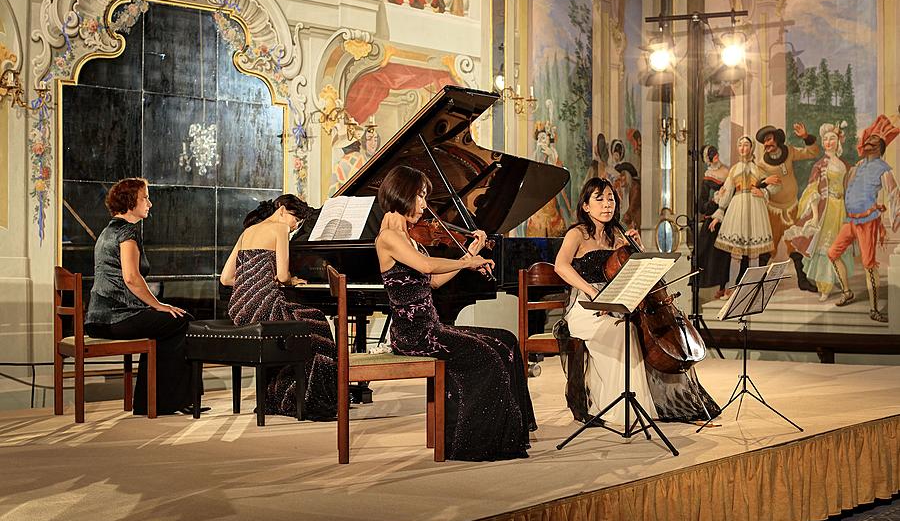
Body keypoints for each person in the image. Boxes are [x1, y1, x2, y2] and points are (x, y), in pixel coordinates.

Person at [375, 165, 535, 461]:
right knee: (486, 356)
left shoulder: (409, 238)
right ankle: (474, 440)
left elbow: (432, 281)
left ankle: (511, 432)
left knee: (507, 340)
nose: (424, 205)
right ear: (403, 194)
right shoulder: (388, 237)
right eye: (421, 197)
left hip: (430, 327)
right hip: (414, 335)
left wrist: (468, 255)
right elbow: (426, 267)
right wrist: (467, 263)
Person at [554, 177, 720, 425]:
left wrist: (639, 250)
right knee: (624, 334)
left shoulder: (619, 237)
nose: (607, 204)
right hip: (586, 307)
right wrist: (591, 291)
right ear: (586, 206)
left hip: (619, 303)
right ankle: (620, 410)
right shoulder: (577, 234)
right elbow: (561, 266)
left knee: (647, 334)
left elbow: (639, 276)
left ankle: (666, 406)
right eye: (599, 199)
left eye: (610, 198)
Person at [220, 195, 337, 419]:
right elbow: (283, 275)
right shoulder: (280, 229)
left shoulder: (248, 231)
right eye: (296, 219)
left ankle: (278, 396)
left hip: (239, 307)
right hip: (264, 304)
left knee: (296, 330)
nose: (296, 226)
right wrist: (292, 280)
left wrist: (252, 280)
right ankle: (310, 400)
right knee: (316, 321)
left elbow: (226, 278)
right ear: (282, 210)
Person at [84, 177, 193, 415]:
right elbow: (131, 277)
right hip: (116, 318)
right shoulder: (126, 231)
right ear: (130, 201)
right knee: (181, 319)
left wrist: (155, 307)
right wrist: (159, 305)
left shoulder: (108, 230)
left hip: (98, 318)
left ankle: (150, 400)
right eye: (145, 198)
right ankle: (164, 401)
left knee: (164, 325)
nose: (150, 204)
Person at [827, 115, 900, 322]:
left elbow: (894, 193)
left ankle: (874, 309)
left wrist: (892, 213)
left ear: (879, 148)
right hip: (851, 221)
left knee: (869, 264)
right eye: (868, 141)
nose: (867, 143)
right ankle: (847, 292)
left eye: (873, 142)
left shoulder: (883, 169)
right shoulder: (858, 166)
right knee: (832, 253)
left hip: (868, 222)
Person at [784, 123, 853, 301]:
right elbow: (813, 192)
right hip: (826, 209)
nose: (828, 142)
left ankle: (841, 283)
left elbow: (849, 187)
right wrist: (814, 216)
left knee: (839, 247)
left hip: (842, 209)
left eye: (832, 138)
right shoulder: (819, 165)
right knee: (825, 247)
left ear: (839, 141)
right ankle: (825, 287)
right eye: (825, 139)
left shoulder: (845, 164)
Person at [710, 135, 780, 299]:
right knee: (736, 253)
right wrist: (718, 214)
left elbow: (775, 187)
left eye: (746, 145)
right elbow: (726, 192)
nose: (743, 148)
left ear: (751, 148)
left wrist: (764, 191)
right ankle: (732, 287)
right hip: (738, 208)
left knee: (753, 254)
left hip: (755, 209)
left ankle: (752, 287)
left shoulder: (758, 169)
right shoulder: (734, 169)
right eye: (740, 145)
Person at [754, 123, 820, 291]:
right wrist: (765, 181)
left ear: (776, 139)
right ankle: (756, 285)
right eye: (764, 142)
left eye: (769, 139)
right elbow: (755, 184)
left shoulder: (789, 151)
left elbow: (812, 152)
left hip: (792, 207)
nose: (767, 144)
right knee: (767, 247)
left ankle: (802, 281)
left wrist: (806, 137)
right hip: (773, 210)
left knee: (796, 243)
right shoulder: (762, 164)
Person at [694, 146, 730, 298]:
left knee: (727, 255)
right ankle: (711, 291)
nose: (714, 155)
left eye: (715, 152)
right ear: (707, 159)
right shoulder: (707, 177)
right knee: (709, 255)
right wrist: (715, 199)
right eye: (710, 154)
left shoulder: (728, 173)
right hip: (712, 221)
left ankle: (725, 287)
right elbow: (701, 206)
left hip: (728, 218)